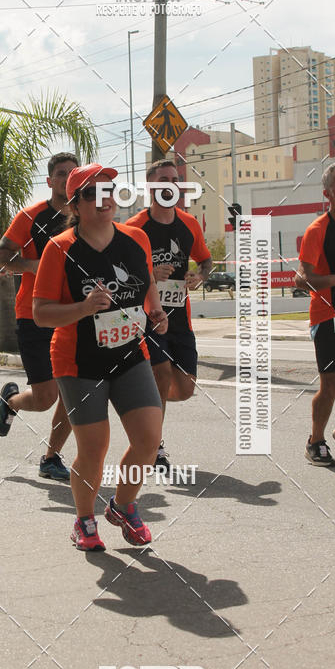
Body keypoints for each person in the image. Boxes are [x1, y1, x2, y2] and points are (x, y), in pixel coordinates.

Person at [32, 163, 167, 551]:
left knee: (148, 437)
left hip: (130, 353)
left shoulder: (136, 238)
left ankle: (123, 506)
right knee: (94, 447)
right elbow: (41, 313)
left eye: (109, 190)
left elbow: (148, 285)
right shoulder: (60, 249)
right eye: (91, 193)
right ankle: (84, 520)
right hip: (79, 361)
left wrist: (155, 312)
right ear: (75, 204)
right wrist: (84, 308)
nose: (103, 199)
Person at [0, 152, 77, 481]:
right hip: (35, 314)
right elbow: (1, 255)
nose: (67, 178)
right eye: (61, 173)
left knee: (74, 391)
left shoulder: (87, 216)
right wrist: (33, 265)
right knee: (45, 398)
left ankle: (51, 458)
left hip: (75, 314)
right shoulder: (31, 216)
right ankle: (12, 401)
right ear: (51, 181)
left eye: (73, 173)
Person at [126, 160, 212, 468]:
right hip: (148, 318)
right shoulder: (134, 227)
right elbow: (120, 274)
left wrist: (199, 276)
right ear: (150, 187)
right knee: (160, 375)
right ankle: (154, 446)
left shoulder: (189, 223)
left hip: (180, 319)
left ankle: (142, 402)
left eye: (175, 179)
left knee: (185, 388)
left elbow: (205, 260)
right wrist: (148, 273)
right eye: (163, 179)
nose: (171, 184)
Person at [295, 161, 335, 466]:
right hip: (328, 314)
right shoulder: (318, 230)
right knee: (331, 384)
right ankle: (316, 441)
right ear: (328, 193)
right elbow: (300, 279)